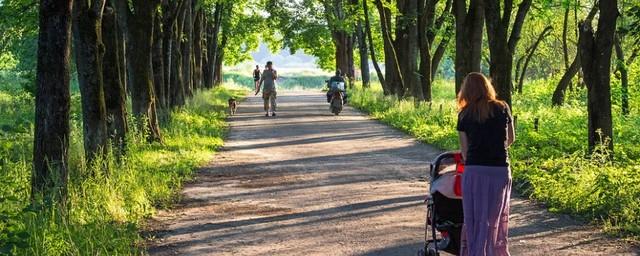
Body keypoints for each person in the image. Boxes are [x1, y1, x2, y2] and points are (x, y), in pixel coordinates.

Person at [456, 72, 515, 256]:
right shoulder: (502, 107)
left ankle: (476, 252)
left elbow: (465, 152)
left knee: (475, 218)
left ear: (466, 91)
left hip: (475, 171)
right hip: (500, 170)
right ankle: (496, 252)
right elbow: (511, 139)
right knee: (495, 217)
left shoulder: (464, 114)